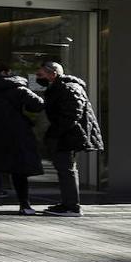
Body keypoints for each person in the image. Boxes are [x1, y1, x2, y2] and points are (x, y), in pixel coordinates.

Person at [0, 61, 45, 215]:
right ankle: (24, 205)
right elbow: (38, 104)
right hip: (16, 134)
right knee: (19, 170)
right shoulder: (18, 88)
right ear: (5, 72)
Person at [36, 61, 103, 217]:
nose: (39, 77)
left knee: (67, 170)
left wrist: (55, 132)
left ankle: (72, 206)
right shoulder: (60, 87)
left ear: (53, 73)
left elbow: (72, 114)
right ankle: (68, 203)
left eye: (41, 74)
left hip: (68, 135)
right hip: (66, 134)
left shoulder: (69, 88)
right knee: (65, 169)